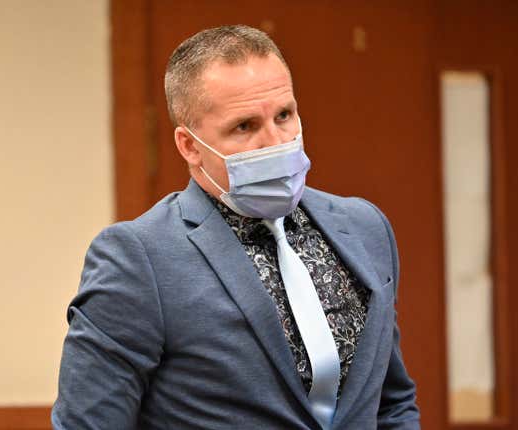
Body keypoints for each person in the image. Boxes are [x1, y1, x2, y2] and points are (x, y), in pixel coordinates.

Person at [52, 25, 420, 430]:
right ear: (189, 146)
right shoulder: (139, 258)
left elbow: (391, 402)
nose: (275, 141)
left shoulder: (366, 228)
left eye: (285, 115)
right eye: (244, 126)